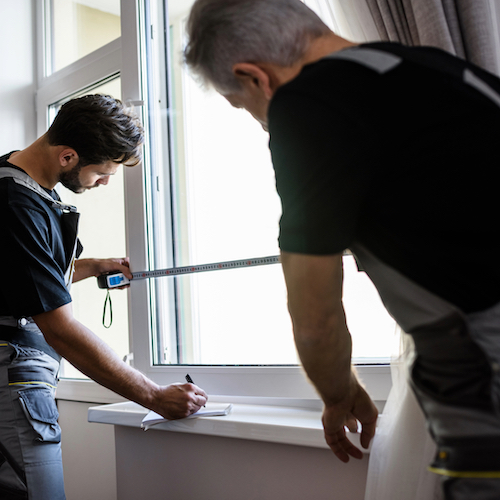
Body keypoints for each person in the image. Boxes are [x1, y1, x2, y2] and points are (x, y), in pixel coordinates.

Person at [184, 1, 500, 498]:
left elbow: (315, 314)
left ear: (254, 77)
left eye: (247, 107)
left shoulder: (307, 103)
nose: (264, 124)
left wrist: (338, 393)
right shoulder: (442, 69)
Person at [0, 94, 208, 500]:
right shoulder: (16, 203)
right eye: (102, 172)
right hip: (14, 372)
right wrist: (152, 395)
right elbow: (60, 329)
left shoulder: (20, 180)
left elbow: (22, 279)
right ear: (67, 156)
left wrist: (91, 266)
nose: (106, 182)